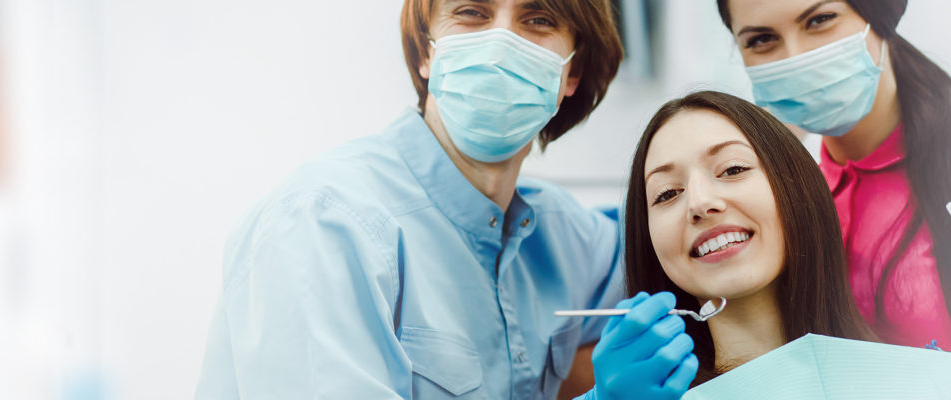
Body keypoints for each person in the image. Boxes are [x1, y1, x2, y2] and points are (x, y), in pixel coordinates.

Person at [194, 1, 684, 398]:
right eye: (472, 13)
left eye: (537, 20)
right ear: (426, 53)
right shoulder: (323, 222)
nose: (500, 43)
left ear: (571, 75)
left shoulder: (569, 238)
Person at [714, 0, 951, 347]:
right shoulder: (784, 200)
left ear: (879, 14)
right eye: (762, 39)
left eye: (820, 19)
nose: (795, 57)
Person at [613, 90, 875, 386]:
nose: (699, 203)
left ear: (799, 188)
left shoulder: (917, 378)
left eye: (733, 169)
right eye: (668, 194)